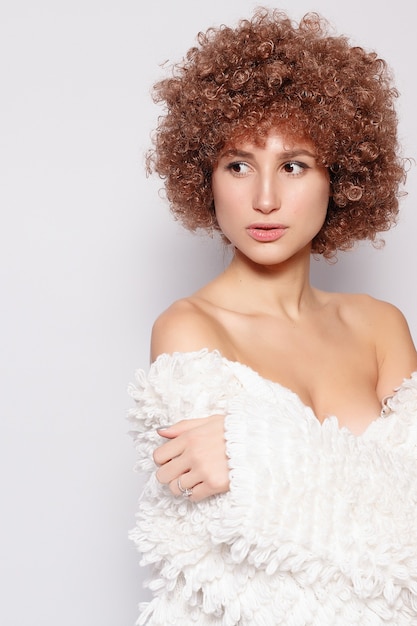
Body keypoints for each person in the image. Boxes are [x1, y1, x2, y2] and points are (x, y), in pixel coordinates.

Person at [128, 8, 417, 625]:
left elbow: (407, 542)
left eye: (294, 165)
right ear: (203, 178)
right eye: (238, 164)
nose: (264, 198)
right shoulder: (189, 328)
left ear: (340, 177)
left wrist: (259, 453)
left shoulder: (380, 326)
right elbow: (236, 547)